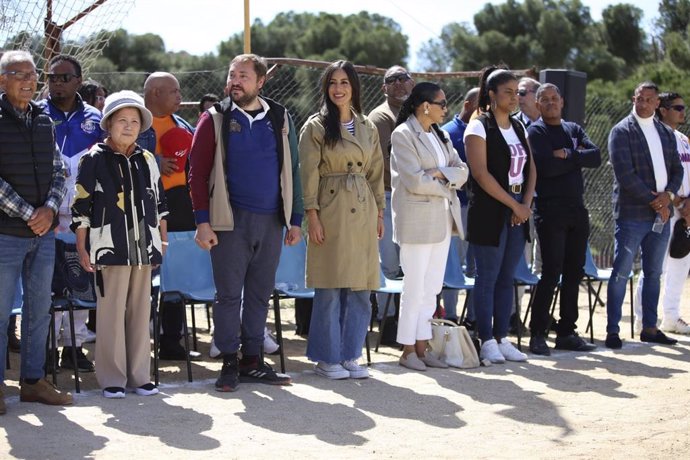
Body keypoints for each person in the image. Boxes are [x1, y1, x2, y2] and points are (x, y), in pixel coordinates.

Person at [188, 53, 302, 392]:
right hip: (228, 221)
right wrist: (202, 222)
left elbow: (293, 168)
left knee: (259, 294)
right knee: (228, 296)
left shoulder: (279, 116)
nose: (235, 81)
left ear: (261, 81)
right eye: (232, 75)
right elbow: (196, 173)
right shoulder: (214, 118)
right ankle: (229, 362)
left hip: (270, 221)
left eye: (243, 76)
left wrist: (294, 220)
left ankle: (253, 359)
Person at [72, 90, 167, 398]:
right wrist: (82, 246)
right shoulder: (94, 158)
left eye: (134, 121)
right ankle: (112, 377)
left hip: (144, 249)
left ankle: (140, 376)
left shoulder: (148, 159)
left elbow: (159, 204)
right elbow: (81, 207)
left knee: (141, 311)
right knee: (111, 311)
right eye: (122, 121)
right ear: (109, 123)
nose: (128, 127)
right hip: (109, 248)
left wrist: (160, 241)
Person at [299, 60, 384, 380]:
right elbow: (306, 174)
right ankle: (326, 356)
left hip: (362, 209)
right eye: (332, 82)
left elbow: (376, 173)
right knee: (331, 286)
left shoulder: (367, 126)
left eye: (344, 82)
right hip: (330, 207)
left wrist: (379, 213)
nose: (338, 88)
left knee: (361, 287)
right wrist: (312, 216)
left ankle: (350, 354)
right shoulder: (316, 126)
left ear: (354, 87)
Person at [0, 50, 72, 414]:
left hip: (43, 235)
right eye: (18, 74)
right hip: (6, 234)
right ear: (1, 80)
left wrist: (49, 209)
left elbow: (60, 169)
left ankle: (32, 382)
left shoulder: (45, 119)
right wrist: (33, 213)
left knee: (39, 308)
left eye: (33, 75)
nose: (29, 81)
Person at [391, 82, 468, 371]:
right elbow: (413, 180)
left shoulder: (440, 134)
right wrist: (447, 183)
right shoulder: (403, 134)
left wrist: (440, 174)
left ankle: (423, 347)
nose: (445, 108)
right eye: (441, 102)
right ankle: (407, 349)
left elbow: (463, 171)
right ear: (425, 105)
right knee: (414, 286)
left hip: (442, 220)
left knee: (432, 286)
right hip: (416, 221)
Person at [463, 66, 536, 364]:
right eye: (507, 92)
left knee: (508, 276)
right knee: (487, 277)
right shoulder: (479, 126)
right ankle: (487, 340)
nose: (514, 97)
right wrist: (514, 205)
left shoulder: (519, 126)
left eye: (517, 92)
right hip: (490, 210)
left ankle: (504, 338)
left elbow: (532, 168)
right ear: (491, 94)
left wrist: (525, 204)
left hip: (518, 207)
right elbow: (480, 175)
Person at [38, 54, 104, 372]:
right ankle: (48, 346)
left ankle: (74, 346)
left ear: (78, 80)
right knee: (50, 282)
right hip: (45, 212)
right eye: (52, 77)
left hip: (82, 214)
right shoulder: (37, 113)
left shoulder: (95, 117)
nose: (57, 83)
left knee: (80, 278)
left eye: (64, 77)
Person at [605, 81, 683, 349]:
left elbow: (677, 170)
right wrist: (656, 201)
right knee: (621, 272)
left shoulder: (664, 132)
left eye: (649, 100)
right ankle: (613, 331)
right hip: (632, 215)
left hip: (661, 215)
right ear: (633, 99)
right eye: (639, 99)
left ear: (657, 104)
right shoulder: (621, 131)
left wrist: (669, 196)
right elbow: (625, 176)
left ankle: (650, 327)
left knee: (653, 273)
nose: (643, 104)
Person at [526, 83, 601, 356]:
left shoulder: (573, 130)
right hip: (550, 210)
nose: (549, 103)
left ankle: (567, 332)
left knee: (574, 272)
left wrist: (569, 154)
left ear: (562, 101)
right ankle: (537, 333)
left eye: (554, 98)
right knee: (551, 272)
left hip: (577, 210)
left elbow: (595, 157)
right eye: (543, 99)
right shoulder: (536, 131)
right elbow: (545, 167)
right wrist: (576, 159)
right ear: (537, 104)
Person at [138, 72, 196, 361]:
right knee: (145, 273)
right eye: (174, 91)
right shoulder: (134, 121)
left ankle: (171, 340)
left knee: (177, 271)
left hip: (180, 205)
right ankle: (137, 341)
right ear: (156, 93)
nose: (180, 96)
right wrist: (155, 162)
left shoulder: (183, 124)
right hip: (146, 206)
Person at [635, 92, 690, 335]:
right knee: (654, 266)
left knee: (680, 264)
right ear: (663, 109)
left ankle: (671, 316)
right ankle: (642, 318)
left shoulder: (683, 139)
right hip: (664, 207)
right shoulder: (654, 135)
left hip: (685, 211)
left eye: (683, 107)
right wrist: (676, 200)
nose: (682, 111)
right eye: (677, 107)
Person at [367, 65, 414, 339]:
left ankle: (406, 321)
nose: (398, 83)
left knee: (408, 262)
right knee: (389, 263)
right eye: (391, 80)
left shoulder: (417, 113)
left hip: (410, 197)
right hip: (386, 195)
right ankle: (387, 323)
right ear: (384, 88)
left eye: (403, 78)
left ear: (412, 82)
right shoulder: (381, 117)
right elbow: (384, 162)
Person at [441, 87, 479, 325]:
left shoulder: (485, 130)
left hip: (477, 211)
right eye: (479, 105)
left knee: (475, 265)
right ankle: (452, 316)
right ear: (467, 105)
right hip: (455, 208)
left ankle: (473, 318)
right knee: (452, 265)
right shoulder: (447, 133)